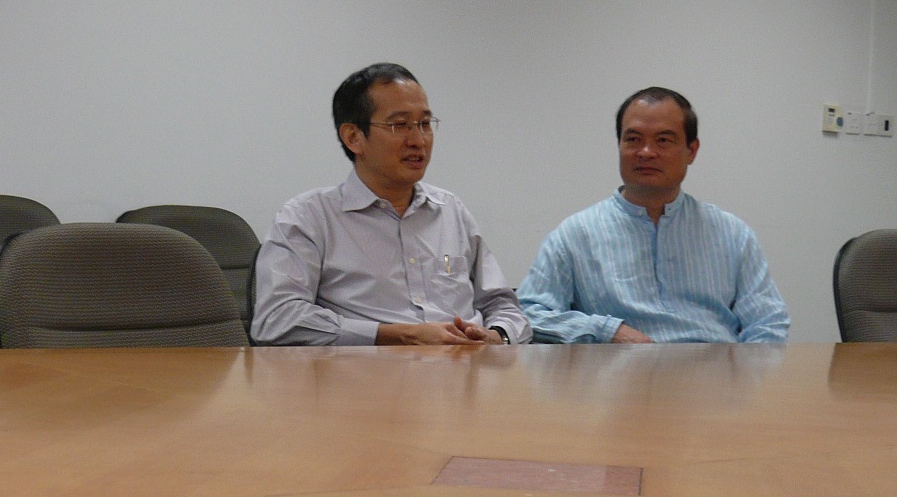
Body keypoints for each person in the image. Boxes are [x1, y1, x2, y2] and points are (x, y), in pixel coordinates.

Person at [251, 63, 531, 346]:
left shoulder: (451, 211)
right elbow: (277, 319)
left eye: (425, 124)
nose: (418, 140)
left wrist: (498, 335)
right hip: (371, 370)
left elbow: (504, 305)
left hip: (467, 368)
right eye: (399, 125)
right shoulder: (308, 218)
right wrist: (398, 335)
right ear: (353, 138)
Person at [517, 87, 789, 344]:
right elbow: (529, 315)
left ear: (692, 150)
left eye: (663, 140)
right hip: (620, 371)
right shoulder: (576, 234)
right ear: (619, 145)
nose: (646, 152)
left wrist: (748, 373)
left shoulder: (732, 234)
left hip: (715, 371)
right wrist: (607, 331)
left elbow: (767, 323)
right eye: (633, 139)